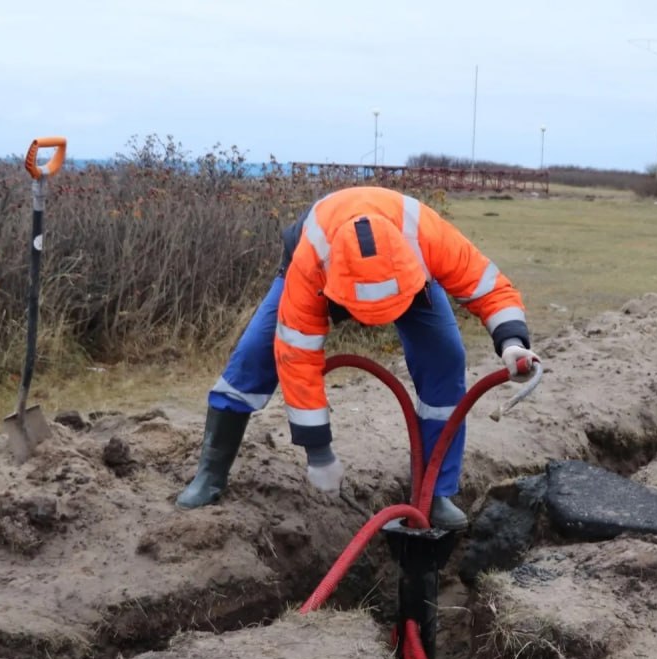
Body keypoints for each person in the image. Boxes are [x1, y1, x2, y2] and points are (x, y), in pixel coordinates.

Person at [176, 185, 538, 530]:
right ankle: (210, 473)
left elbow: (489, 287)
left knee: (445, 361)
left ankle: (436, 493)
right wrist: (319, 452)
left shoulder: (428, 238)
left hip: (412, 284)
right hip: (320, 268)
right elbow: (298, 359)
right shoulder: (312, 262)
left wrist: (512, 342)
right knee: (254, 359)